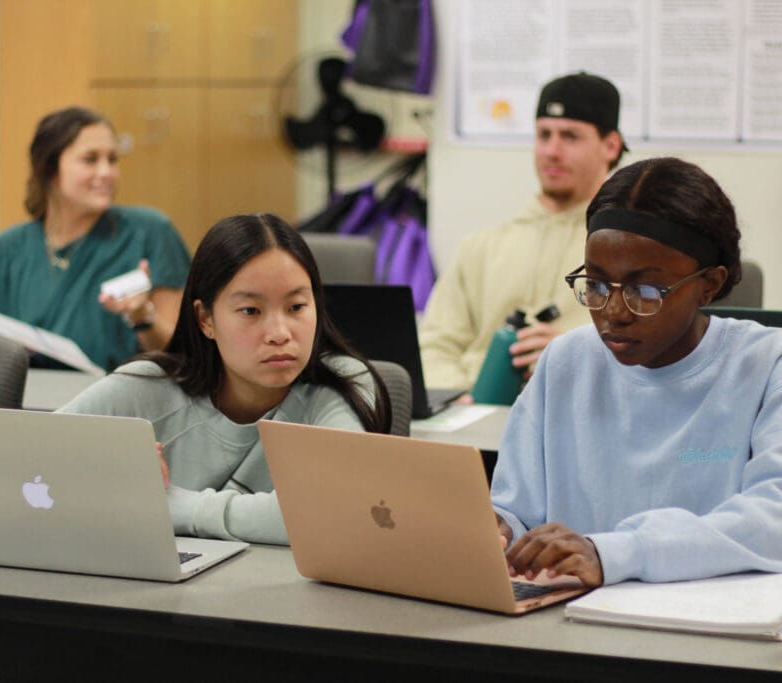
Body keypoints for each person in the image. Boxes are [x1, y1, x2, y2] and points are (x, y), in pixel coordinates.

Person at [492, 157, 782, 587]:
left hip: (703, 617)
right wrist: (497, 529)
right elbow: (516, 510)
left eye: (644, 290)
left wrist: (613, 553)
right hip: (567, 613)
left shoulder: (766, 364)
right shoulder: (566, 361)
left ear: (710, 284)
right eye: (596, 285)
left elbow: (773, 520)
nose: (614, 311)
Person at [59, 214, 391, 545]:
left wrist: (175, 506)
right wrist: (110, 476)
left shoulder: (341, 383)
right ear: (205, 319)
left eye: (296, 307)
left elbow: (335, 511)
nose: (279, 333)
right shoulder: (148, 388)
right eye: (251, 311)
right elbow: (37, 460)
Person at [419, 72, 627, 392]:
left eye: (570, 136)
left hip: (584, 406)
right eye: (544, 135)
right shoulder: (481, 246)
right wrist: (459, 398)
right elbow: (434, 348)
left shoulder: (631, 251)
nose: (552, 151)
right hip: (476, 408)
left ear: (610, 146)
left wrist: (577, 356)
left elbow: (654, 358)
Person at [0, 106, 191, 371]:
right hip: (27, 394)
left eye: (112, 160)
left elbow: (181, 353)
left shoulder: (150, 233)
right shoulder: (5, 251)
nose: (106, 172)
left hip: (119, 394)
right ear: (50, 170)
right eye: (90, 159)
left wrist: (142, 317)